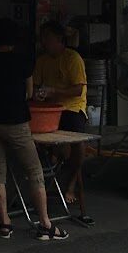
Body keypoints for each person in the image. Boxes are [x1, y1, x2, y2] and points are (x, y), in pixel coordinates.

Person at [0, 18, 67, 241]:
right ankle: (45, 225)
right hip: (16, 122)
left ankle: (5, 224)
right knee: (34, 171)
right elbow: (29, 93)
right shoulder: (22, 61)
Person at [33, 20, 92, 214]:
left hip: (72, 109)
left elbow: (78, 90)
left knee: (78, 144)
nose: (44, 42)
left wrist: (53, 91)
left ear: (59, 39)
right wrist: (39, 94)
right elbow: (35, 86)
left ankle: (72, 182)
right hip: (49, 109)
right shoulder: (42, 61)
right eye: (42, 38)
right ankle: (49, 174)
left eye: (47, 38)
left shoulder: (73, 58)